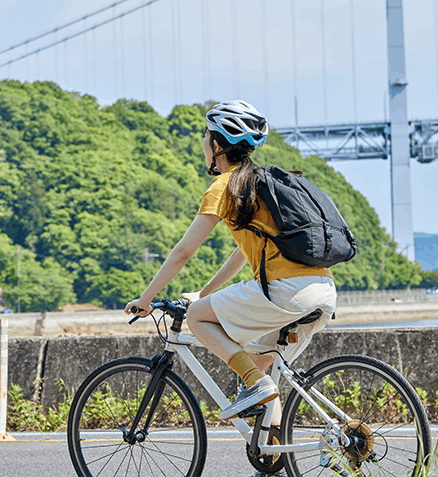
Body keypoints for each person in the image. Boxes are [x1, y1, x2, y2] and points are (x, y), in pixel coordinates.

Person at [125, 100, 336, 424]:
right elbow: (242, 254)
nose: (203, 142)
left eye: (205, 135)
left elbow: (183, 252)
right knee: (259, 366)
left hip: (286, 292)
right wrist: (204, 293)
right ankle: (272, 451)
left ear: (216, 145)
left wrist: (145, 299)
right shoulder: (261, 184)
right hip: (322, 290)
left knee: (197, 317)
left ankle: (255, 382)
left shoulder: (225, 186)